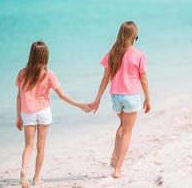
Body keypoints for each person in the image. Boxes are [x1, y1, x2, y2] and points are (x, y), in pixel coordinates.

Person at [15, 41, 91, 187]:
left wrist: (18, 117)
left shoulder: (22, 73)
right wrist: (80, 105)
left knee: (28, 146)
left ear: (31, 55)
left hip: (28, 113)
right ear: (46, 56)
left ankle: (23, 170)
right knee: (41, 147)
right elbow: (62, 96)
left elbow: (19, 97)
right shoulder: (49, 74)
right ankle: (36, 178)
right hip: (43, 112)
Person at [90, 21, 151, 178]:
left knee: (122, 126)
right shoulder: (139, 55)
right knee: (127, 132)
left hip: (115, 97)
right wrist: (148, 99)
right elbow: (143, 80)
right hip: (131, 96)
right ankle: (118, 168)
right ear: (134, 37)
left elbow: (105, 80)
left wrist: (97, 99)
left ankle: (115, 156)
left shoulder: (112, 53)